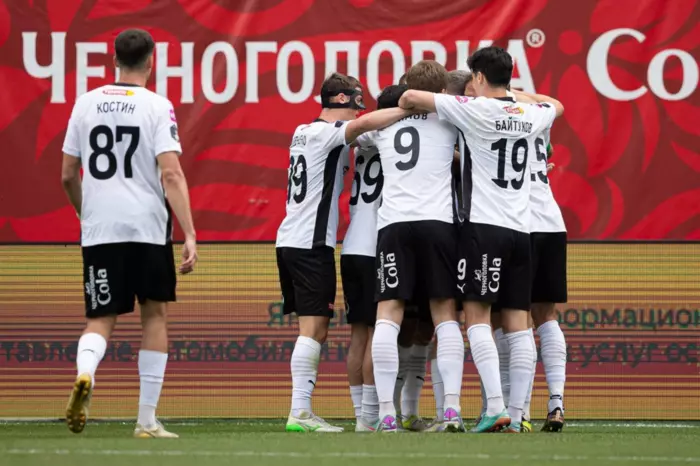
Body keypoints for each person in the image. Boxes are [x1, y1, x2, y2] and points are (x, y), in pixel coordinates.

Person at [399, 46, 564, 433]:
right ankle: (518, 415)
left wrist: (459, 98)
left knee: (477, 318)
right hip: (522, 230)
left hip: (484, 229)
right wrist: (513, 95)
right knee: (519, 324)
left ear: (477, 77)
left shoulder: (474, 109)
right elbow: (556, 105)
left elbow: (410, 97)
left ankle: (494, 407)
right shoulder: (531, 114)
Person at [61, 28, 197, 438]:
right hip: (147, 227)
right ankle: (146, 421)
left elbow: (68, 174)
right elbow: (170, 173)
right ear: (151, 61)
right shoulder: (157, 105)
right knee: (153, 315)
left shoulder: (85, 104)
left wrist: (86, 213)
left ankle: (86, 372)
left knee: (100, 319)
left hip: (101, 228)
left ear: (114, 59)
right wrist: (189, 232)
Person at [276, 72, 411, 433]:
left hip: (291, 238)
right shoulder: (328, 132)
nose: (359, 111)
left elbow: (360, 131)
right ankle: (300, 412)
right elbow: (363, 126)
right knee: (314, 330)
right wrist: (411, 109)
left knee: (320, 330)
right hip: (310, 242)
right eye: (356, 103)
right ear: (340, 100)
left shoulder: (303, 131)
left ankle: (308, 411)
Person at [371, 60, 464, 433]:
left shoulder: (383, 123)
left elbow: (356, 135)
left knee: (388, 313)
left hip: (394, 225)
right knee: (445, 314)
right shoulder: (450, 118)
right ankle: (452, 410)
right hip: (438, 224)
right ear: (441, 91)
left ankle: (385, 414)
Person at [343, 84, 409, 432]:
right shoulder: (395, 136)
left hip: (352, 244)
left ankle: (361, 417)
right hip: (377, 246)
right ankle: (372, 415)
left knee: (359, 335)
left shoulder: (362, 137)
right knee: (377, 332)